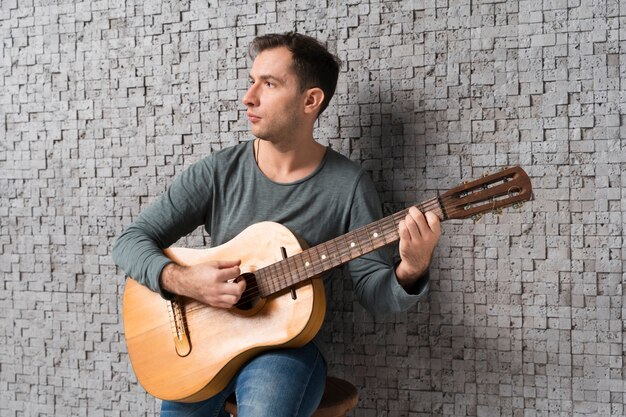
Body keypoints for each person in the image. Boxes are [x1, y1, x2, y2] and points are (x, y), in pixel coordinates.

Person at [112, 32, 441, 417]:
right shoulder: (218, 172)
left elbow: (374, 292)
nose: (248, 97)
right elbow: (130, 241)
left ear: (310, 100)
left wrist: (411, 267)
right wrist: (184, 281)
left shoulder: (348, 186)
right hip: (202, 347)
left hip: (287, 351)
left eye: (269, 84)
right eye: (251, 81)